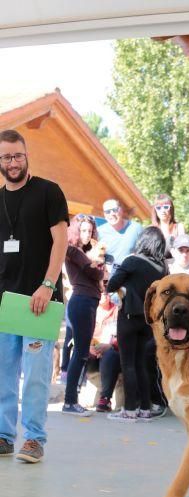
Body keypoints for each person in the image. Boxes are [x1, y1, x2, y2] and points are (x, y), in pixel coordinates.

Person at [0, 129, 69, 463]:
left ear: (26, 156)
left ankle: (34, 439)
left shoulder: (48, 192)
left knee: (37, 377)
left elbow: (61, 241)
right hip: (5, 303)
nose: (12, 162)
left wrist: (48, 284)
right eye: (6, 157)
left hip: (41, 299)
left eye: (17, 155)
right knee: (3, 375)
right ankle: (3, 435)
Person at [107, 226, 167, 422]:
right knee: (141, 363)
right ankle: (145, 408)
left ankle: (130, 409)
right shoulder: (162, 269)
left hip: (129, 317)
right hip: (148, 322)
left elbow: (111, 284)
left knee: (128, 364)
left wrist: (124, 287)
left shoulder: (132, 261)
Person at [62, 215, 105, 416]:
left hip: (87, 302)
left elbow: (99, 273)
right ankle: (70, 401)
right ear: (76, 231)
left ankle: (71, 400)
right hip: (82, 302)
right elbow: (96, 274)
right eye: (83, 230)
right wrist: (98, 265)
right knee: (80, 352)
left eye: (90, 230)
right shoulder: (73, 250)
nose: (87, 234)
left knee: (81, 352)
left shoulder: (84, 252)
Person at [84, 291, 122, 413]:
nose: (104, 294)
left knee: (110, 355)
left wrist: (110, 345)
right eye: (101, 291)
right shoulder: (91, 310)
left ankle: (105, 399)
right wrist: (90, 346)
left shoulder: (118, 310)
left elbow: (124, 336)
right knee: (82, 353)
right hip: (95, 349)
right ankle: (73, 394)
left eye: (107, 292)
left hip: (112, 351)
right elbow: (82, 334)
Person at [98, 199, 142, 267]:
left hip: (131, 272)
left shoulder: (136, 228)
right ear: (104, 214)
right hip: (109, 275)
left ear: (121, 210)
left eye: (115, 210)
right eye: (108, 212)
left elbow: (145, 252)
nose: (112, 214)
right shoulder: (99, 232)